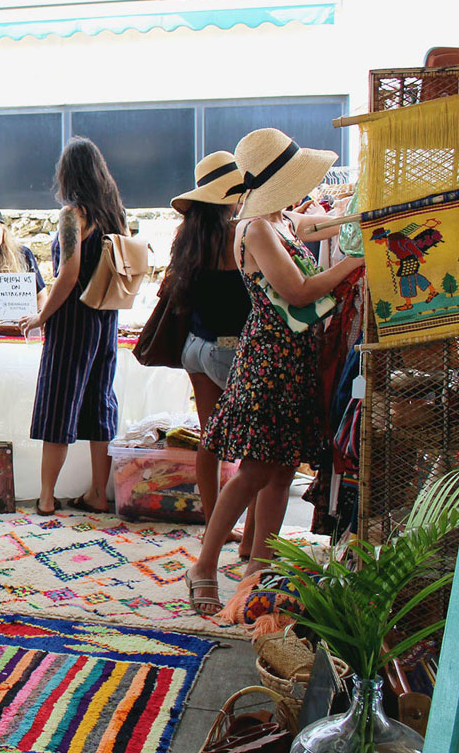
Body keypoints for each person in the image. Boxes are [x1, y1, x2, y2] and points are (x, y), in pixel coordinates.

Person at [186, 128, 365, 615]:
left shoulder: (283, 220)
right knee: (254, 471)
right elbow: (300, 292)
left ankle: (256, 572)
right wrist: (353, 261)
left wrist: (366, 214)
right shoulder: (255, 229)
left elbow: (326, 224)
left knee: (282, 472)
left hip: (295, 360)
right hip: (270, 362)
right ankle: (204, 565)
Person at [19, 137, 127, 516]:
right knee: (100, 403)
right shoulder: (114, 213)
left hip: (74, 319)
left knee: (58, 404)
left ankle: (47, 498)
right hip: (106, 316)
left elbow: (68, 273)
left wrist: (39, 316)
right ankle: (99, 492)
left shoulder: (72, 214)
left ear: (67, 174)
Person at [168, 151, 256, 558]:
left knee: (211, 440)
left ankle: (212, 524)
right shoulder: (238, 233)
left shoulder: (189, 235)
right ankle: (250, 537)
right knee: (258, 445)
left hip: (196, 346)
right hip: (230, 348)